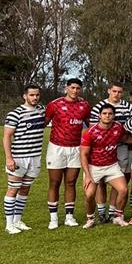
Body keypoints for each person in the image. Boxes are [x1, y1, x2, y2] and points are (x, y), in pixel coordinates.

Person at [43, 78, 90, 228]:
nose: (75, 91)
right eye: (72, 87)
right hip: (56, 148)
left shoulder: (84, 105)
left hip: (75, 148)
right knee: (54, 183)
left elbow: (90, 125)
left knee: (71, 182)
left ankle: (69, 216)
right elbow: (43, 122)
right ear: (66, 88)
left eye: (78, 88)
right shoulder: (54, 104)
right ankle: (53, 218)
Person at [1, 84, 45, 234]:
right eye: (32, 95)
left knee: (25, 189)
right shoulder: (15, 114)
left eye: (37, 95)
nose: (35, 97)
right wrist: (9, 158)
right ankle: (9, 225)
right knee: (13, 189)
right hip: (19, 157)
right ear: (25, 96)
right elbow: (6, 137)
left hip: (35, 157)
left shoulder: (41, 110)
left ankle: (17, 220)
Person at [89, 83, 132, 222]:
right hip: (101, 148)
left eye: (119, 92)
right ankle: (101, 212)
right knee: (101, 182)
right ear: (109, 91)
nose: (116, 94)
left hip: (121, 147)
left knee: (117, 178)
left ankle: (113, 210)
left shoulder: (128, 107)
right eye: (114, 91)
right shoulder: (99, 106)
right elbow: (92, 128)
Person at [79, 104, 129, 228]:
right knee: (89, 195)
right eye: (104, 113)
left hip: (111, 166)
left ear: (114, 115)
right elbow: (83, 155)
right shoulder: (90, 132)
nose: (107, 116)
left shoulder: (118, 127)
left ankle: (117, 217)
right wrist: (87, 175)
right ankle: (90, 219)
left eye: (110, 114)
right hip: (93, 167)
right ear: (99, 115)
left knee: (123, 190)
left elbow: (126, 138)